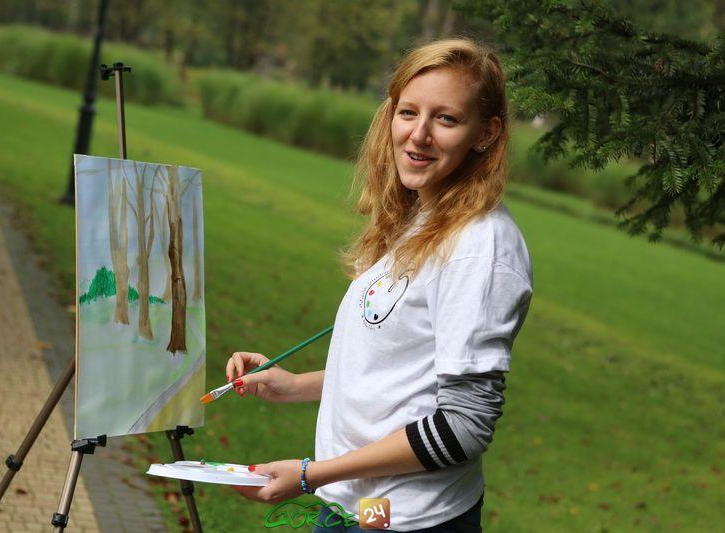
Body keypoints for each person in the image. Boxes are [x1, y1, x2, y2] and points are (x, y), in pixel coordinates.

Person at [226, 38, 533, 532]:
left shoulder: (480, 248)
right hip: (361, 509)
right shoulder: (424, 218)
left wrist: (310, 475)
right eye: (408, 112)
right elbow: (400, 373)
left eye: (446, 119)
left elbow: (463, 425)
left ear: (486, 133)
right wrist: (294, 387)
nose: (418, 135)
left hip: (409, 520)